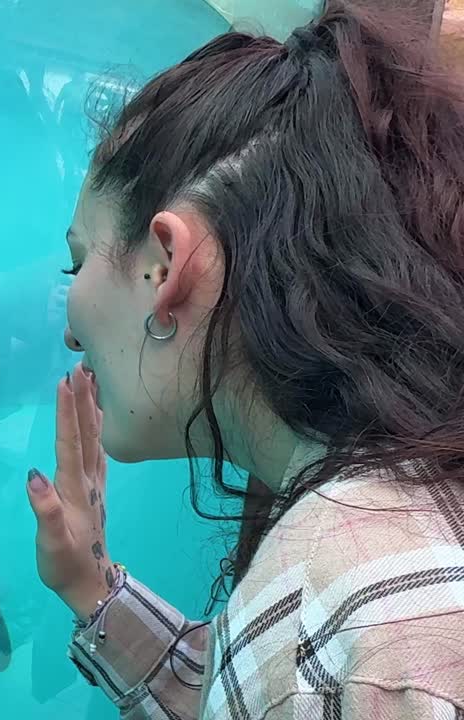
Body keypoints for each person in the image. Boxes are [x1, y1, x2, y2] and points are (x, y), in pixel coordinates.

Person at [23, 1, 464, 718]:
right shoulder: (389, 516)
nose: (72, 336)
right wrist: (94, 589)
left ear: (163, 267)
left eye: (78, 262)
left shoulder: (343, 613)